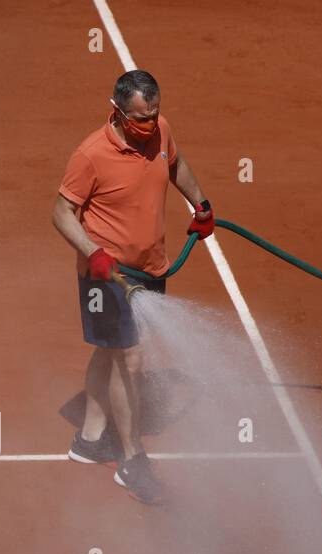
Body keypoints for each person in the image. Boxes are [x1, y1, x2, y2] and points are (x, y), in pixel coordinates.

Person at [52, 69, 214, 505]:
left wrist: (200, 203)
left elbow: (175, 164)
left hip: (150, 267)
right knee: (131, 357)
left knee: (111, 349)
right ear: (118, 112)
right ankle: (131, 461)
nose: (150, 124)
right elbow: (62, 213)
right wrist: (95, 253)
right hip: (107, 274)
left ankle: (88, 441)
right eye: (141, 118)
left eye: (155, 114)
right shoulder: (91, 155)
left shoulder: (160, 132)